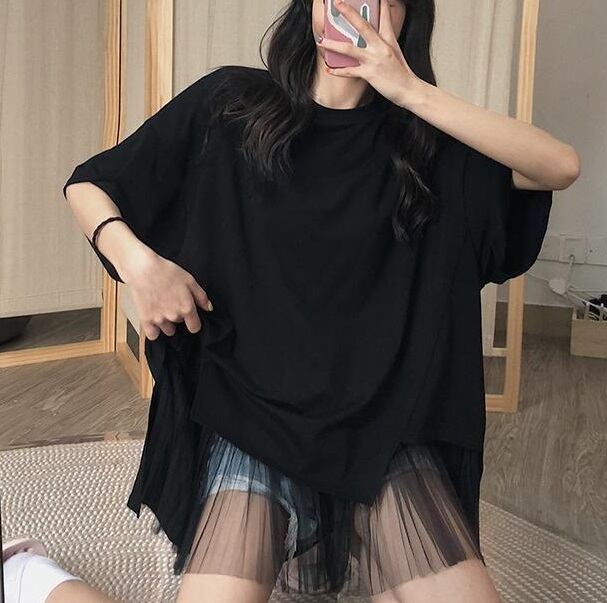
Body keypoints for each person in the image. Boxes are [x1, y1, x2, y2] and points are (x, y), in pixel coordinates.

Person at [53, 0, 579, 601]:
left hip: (384, 431)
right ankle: (33, 576)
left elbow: (559, 166)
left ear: (408, 16)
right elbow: (90, 185)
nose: (352, 10)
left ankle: (349, 539)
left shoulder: (426, 142)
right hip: (252, 419)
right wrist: (140, 267)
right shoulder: (232, 105)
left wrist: (409, 91)